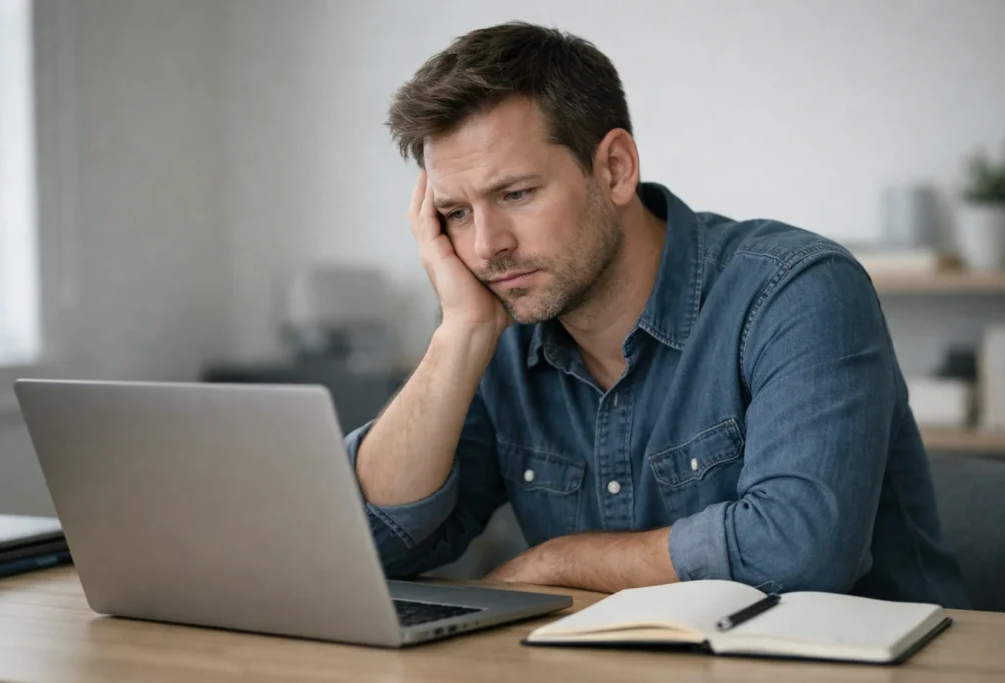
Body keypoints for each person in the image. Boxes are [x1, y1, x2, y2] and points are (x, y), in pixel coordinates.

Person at [345, 21, 969, 606]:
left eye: (516, 194)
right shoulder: (498, 328)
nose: (486, 247)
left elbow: (799, 553)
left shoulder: (797, 290)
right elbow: (370, 549)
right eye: (456, 212)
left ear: (615, 169)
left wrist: (555, 562)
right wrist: (460, 334)